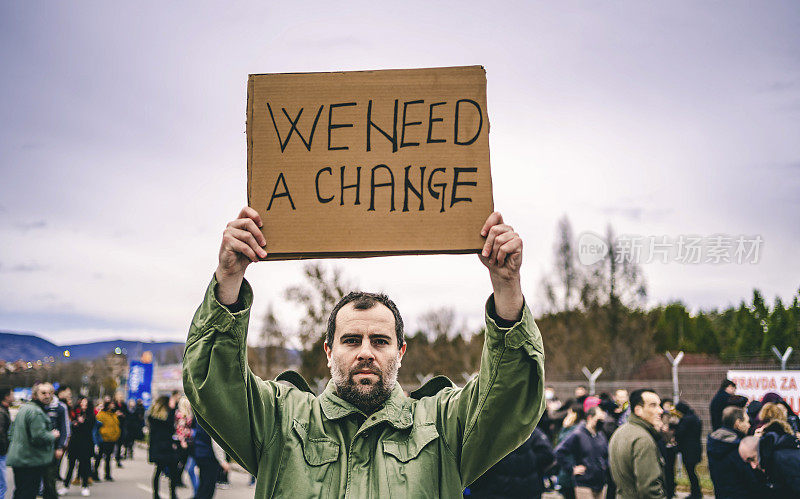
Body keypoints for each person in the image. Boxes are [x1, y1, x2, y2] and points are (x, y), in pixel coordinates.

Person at [182, 207, 545, 497]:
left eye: (381, 341)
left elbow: (508, 398)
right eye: (352, 340)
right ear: (329, 350)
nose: (366, 352)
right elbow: (215, 386)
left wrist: (507, 288)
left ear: (400, 352)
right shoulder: (279, 420)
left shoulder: (443, 427)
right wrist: (228, 280)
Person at [608, 388, 666, 499]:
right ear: (638, 410)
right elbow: (649, 490)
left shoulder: (620, 432)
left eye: (659, 405)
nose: (660, 410)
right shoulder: (643, 439)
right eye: (653, 405)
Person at [467, 427, 555, 498]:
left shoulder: (487, 431)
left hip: (497, 490)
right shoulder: (532, 431)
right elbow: (548, 455)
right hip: (526, 491)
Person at [6, 383, 60, 499]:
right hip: (30, 460)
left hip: (21, 459)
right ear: (35, 395)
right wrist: (52, 435)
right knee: (28, 492)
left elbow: (10, 432)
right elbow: (39, 437)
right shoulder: (36, 412)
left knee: (20, 491)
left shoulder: (25, 408)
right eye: (43, 393)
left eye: (50, 393)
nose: (47, 396)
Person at [707, 406, 763, 499]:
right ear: (738, 423)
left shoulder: (716, 441)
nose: (749, 425)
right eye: (746, 421)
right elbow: (750, 478)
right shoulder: (737, 448)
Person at [555, 405, 610, 499]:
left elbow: (606, 454)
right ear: (590, 418)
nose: (601, 423)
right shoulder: (578, 434)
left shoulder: (600, 434)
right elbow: (559, 452)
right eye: (598, 419)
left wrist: (605, 467)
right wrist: (571, 469)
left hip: (600, 483)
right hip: (584, 483)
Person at [739, 421, 800, 496]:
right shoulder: (771, 459)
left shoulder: (781, 459)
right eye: (748, 462)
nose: (753, 466)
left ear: (759, 449)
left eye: (752, 459)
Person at [62, 397, 95, 497]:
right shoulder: (75, 413)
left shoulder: (91, 415)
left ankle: (85, 486)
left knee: (85, 466)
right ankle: (65, 486)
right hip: (74, 443)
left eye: (86, 403)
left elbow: (89, 427)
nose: (83, 404)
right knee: (70, 465)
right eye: (82, 402)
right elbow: (72, 426)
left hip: (86, 444)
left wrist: (81, 423)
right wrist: (76, 423)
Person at [148, 396, 178, 499]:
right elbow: (171, 429)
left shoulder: (153, 418)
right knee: (173, 472)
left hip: (158, 448)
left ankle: (155, 494)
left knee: (158, 471)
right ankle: (173, 494)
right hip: (167, 448)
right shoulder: (169, 415)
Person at [674, 401, 702, 499]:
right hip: (695, 448)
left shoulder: (686, 419)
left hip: (688, 450)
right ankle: (696, 492)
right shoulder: (694, 417)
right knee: (692, 472)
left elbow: (680, 433)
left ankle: (695, 493)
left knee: (691, 473)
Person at [192, 423, 229, 499]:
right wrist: (222, 461)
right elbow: (216, 441)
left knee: (203, 485)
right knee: (208, 488)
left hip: (200, 453)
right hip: (210, 456)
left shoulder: (200, 416)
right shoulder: (212, 418)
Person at [94, 401, 120, 481]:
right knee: (99, 457)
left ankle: (107, 474)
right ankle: (95, 473)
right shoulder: (101, 415)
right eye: (110, 405)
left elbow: (116, 425)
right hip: (103, 439)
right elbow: (97, 427)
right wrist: (102, 434)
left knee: (108, 458)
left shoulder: (114, 415)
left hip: (112, 439)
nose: (112, 406)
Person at [173, 397, 194, 489]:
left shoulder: (187, 414)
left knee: (184, 461)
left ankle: (178, 479)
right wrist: (182, 441)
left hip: (188, 439)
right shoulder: (181, 415)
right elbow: (179, 429)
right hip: (182, 440)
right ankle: (177, 480)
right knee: (181, 461)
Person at [0, 388, 14, 499]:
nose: (13, 396)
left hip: (2, 452)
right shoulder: (1, 412)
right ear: (6, 396)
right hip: (1, 453)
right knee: (2, 485)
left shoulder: (4, 410)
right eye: (12, 393)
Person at [112, 392, 128, 468]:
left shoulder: (124, 405)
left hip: (121, 426)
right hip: (114, 426)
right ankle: (112, 455)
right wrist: (116, 414)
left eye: (122, 396)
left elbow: (127, 414)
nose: (120, 397)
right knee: (113, 443)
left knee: (119, 443)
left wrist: (122, 414)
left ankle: (118, 459)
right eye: (119, 396)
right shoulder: (113, 404)